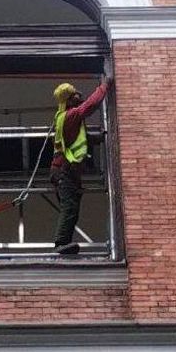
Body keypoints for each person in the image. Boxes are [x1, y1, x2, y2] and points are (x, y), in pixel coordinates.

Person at [50, 76, 112, 255]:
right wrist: (104, 86)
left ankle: (63, 242)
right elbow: (90, 106)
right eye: (75, 94)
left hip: (64, 172)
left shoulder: (66, 118)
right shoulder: (71, 115)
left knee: (72, 208)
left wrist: (99, 138)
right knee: (69, 208)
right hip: (64, 172)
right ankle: (61, 243)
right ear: (69, 99)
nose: (79, 94)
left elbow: (78, 138)